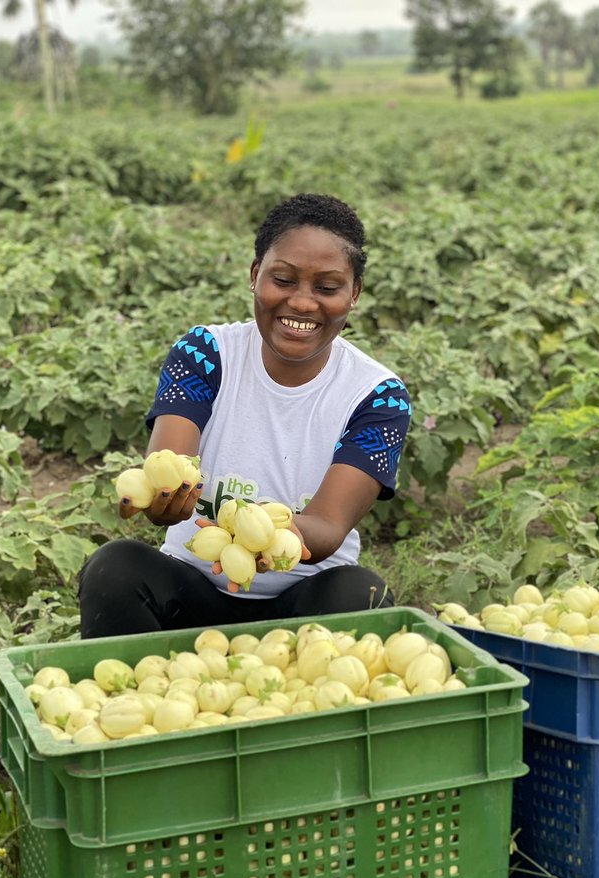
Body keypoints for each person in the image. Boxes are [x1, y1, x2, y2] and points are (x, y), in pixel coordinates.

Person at [78, 193, 410, 639]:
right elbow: (170, 464)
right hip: (193, 591)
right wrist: (166, 499)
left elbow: (329, 526)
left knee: (359, 593)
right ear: (255, 276)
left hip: (303, 602)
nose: (303, 303)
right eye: (283, 279)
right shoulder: (205, 354)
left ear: (354, 294)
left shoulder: (378, 395)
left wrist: (261, 538)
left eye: (327, 288)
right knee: (114, 568)